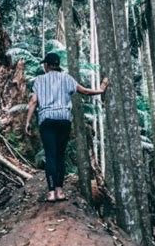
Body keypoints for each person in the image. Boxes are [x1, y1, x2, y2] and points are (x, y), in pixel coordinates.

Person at [25, 52, 108, 202]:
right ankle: (60, 191)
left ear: (47, 66)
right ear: (57, 65)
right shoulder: (67, 78)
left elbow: (33, 102)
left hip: (47, 120)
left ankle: (51, 193)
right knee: (60, 155)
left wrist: (27, 122)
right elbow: (85, 91)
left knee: (50, 155)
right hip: (63, 120)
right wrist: (101, 90)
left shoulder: (39, 80)